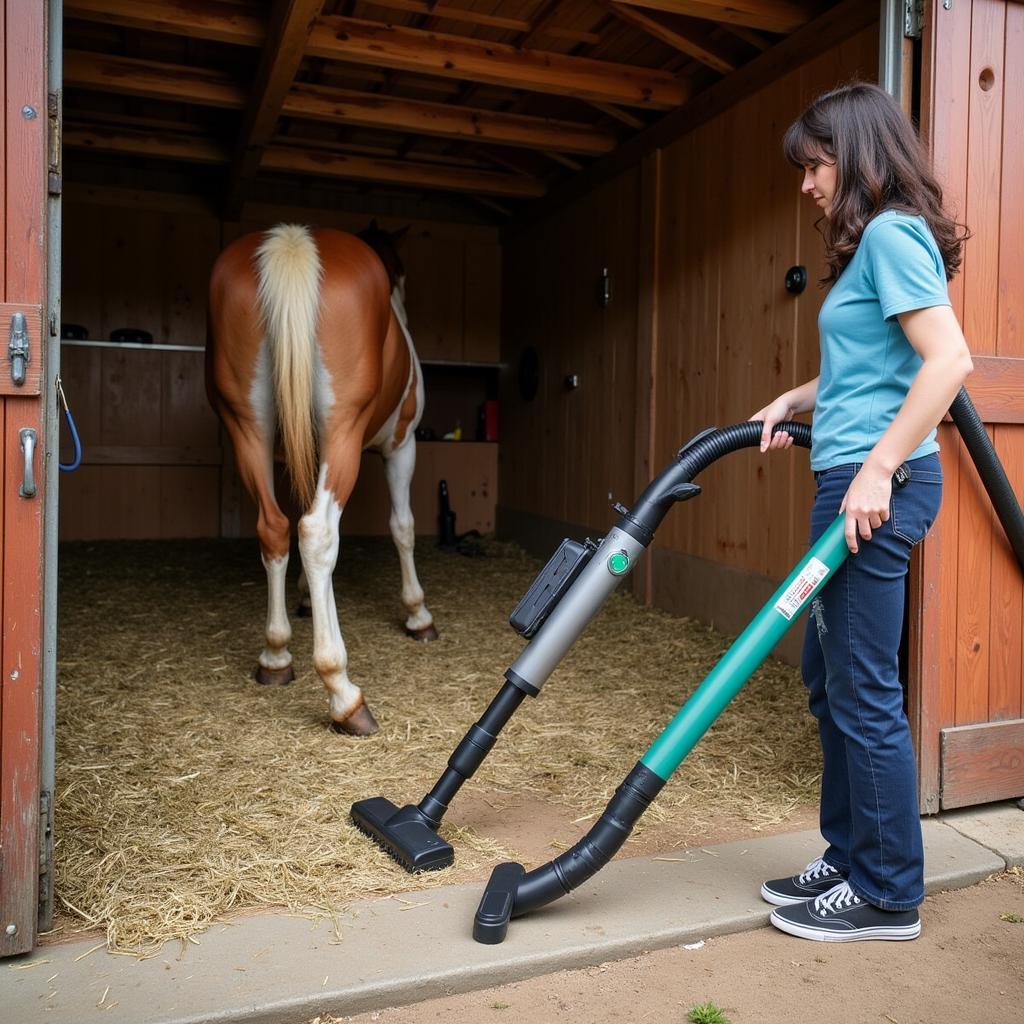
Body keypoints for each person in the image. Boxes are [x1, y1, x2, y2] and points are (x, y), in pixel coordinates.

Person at [751, 82, 973, 942]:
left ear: (855, 154)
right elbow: (866, 371)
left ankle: (888, 894)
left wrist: (879, 466)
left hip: (877, 487)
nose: (807, 183)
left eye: (814, 164)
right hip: (852, 477)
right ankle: (848, 857)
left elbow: (947, 360)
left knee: (864, 689)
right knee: (830, 676)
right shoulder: (871, 247)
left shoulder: (889, 233)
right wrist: (793, 399)